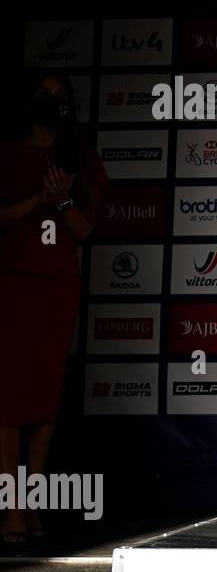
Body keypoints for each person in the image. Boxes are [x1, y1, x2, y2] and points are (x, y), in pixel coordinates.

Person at [0, 73, 105, 546]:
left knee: (44, 401)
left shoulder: (81, 162)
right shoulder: (7, 155)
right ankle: (12, 508)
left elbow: (83, 230)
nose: (53, 103)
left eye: (61, 97)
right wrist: (37, 200)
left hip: (57, 291)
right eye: (44, 95)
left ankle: (33, 503)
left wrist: (61, 198)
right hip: (11, 286)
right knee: (8, 400)